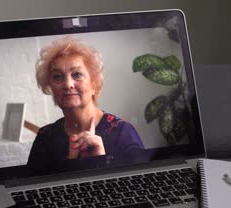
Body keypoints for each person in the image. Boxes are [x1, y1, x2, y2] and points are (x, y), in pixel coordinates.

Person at [27, 37, 145, 173]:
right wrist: (71, 161)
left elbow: (140, 186)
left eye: (77, 74)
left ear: (94, 83)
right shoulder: (45, 137)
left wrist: (100, 159)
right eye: (57, 77)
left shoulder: (122, 132)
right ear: (51, 87)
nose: (68, 84)